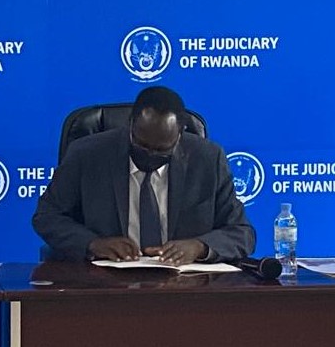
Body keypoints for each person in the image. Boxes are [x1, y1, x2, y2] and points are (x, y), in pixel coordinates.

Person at [33, 86, 255, 264]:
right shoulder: (87, 154)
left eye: (162, 150)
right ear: (130, 126)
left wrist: (199, 247)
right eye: (142, 145)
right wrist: (93, 244)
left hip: (185, 290)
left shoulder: (207, 159)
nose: (150, 155)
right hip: (104, 287)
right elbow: (47, 216)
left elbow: (241, 233)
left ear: (179, 137)